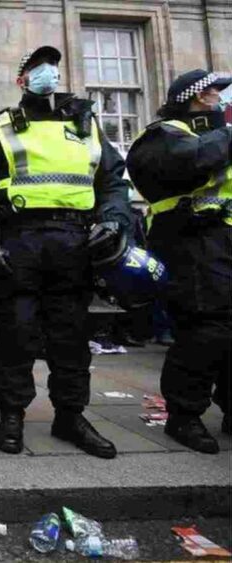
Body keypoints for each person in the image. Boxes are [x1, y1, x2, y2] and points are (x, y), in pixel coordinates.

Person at [0, 46, 132, 458]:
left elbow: (112, 182)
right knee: (16, 332)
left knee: (71, 335)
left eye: (52, 67)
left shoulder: (87, 125)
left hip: (75, 240)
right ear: (21, 80)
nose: (48, 74)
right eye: (37, 68)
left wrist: (112, 219)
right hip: (19, 238)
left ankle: (70, 415)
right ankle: (13, 414)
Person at [126, 69, 232, 454]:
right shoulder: (163, 135)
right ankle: (184, 416)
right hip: (193, 242)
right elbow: (188, 162)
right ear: (197, 97)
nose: (221, 98)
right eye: (216, 92)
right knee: (205, 330)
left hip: (222, 241)